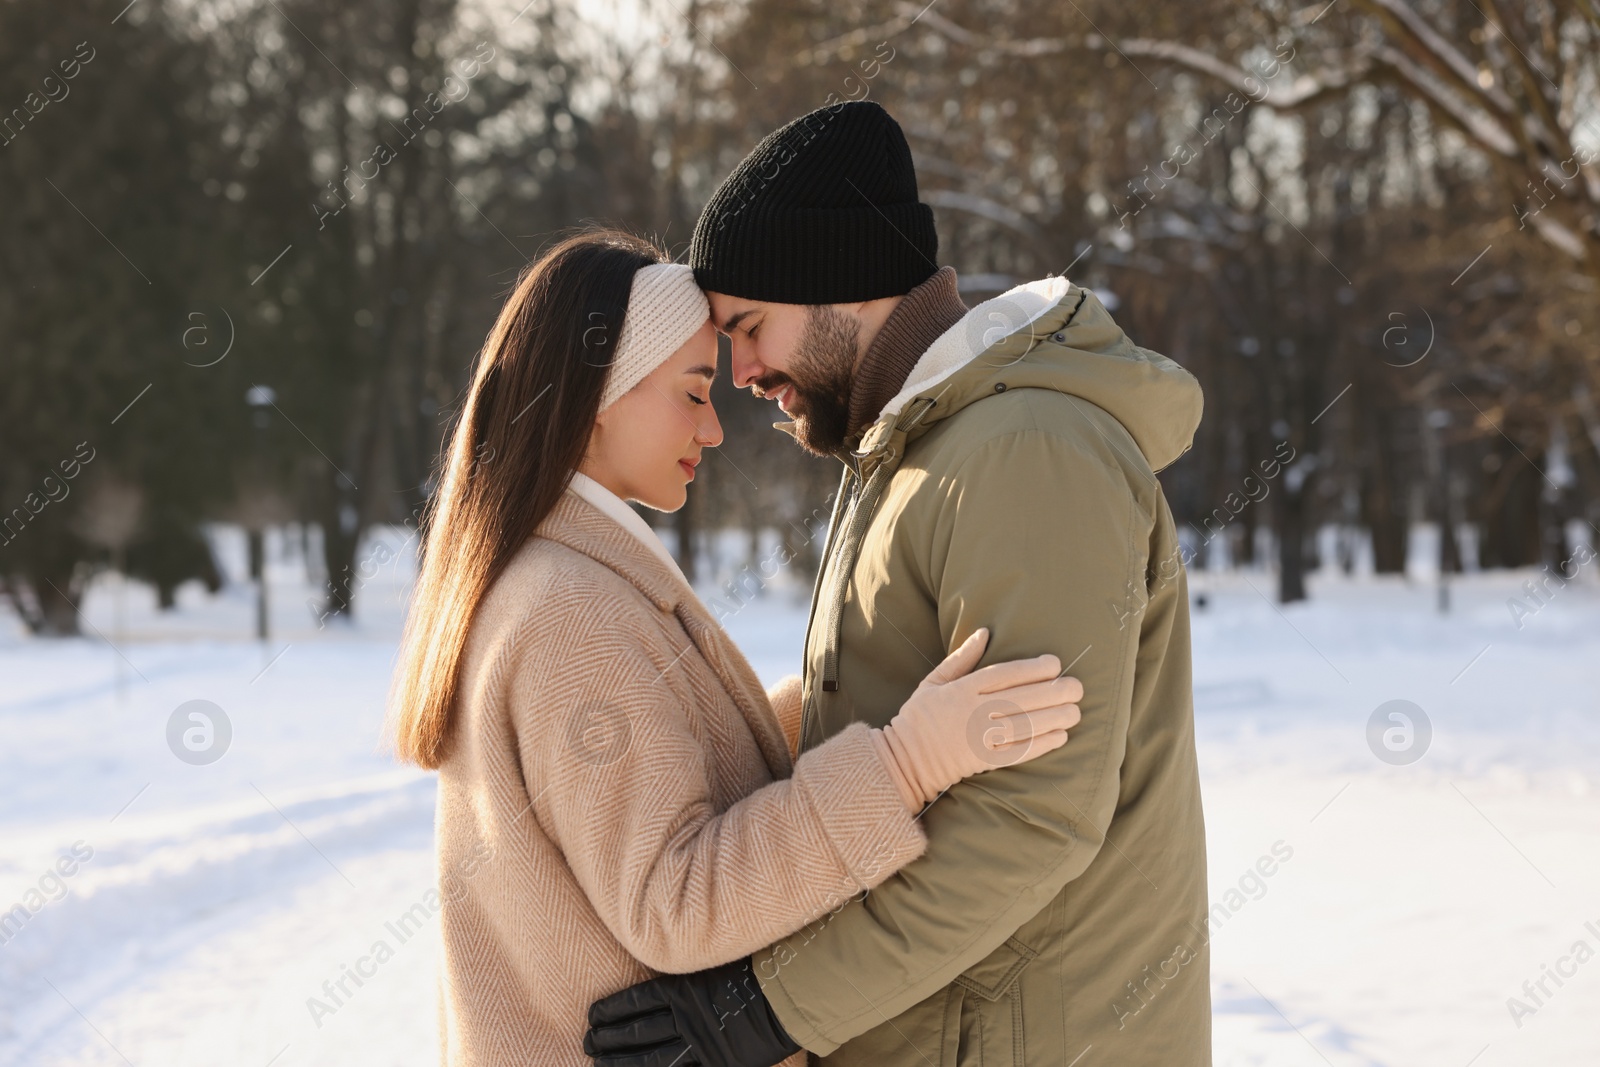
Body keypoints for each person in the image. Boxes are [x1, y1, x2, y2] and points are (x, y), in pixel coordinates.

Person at [586, 102, 1210, 1067]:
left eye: (748, 326)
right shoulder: (914, 455)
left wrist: (767, 1011)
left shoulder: (1024, 451)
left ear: (840, 282)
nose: (741, 372)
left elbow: (1029, 816)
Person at [385, 227, 1086, 1066]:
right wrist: (901, 764)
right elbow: (674, 899)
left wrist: (862, 693)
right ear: (596, 394)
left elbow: (678, 753)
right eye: (691, 392)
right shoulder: (569, 611)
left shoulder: (561, 575)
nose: (713, 429)